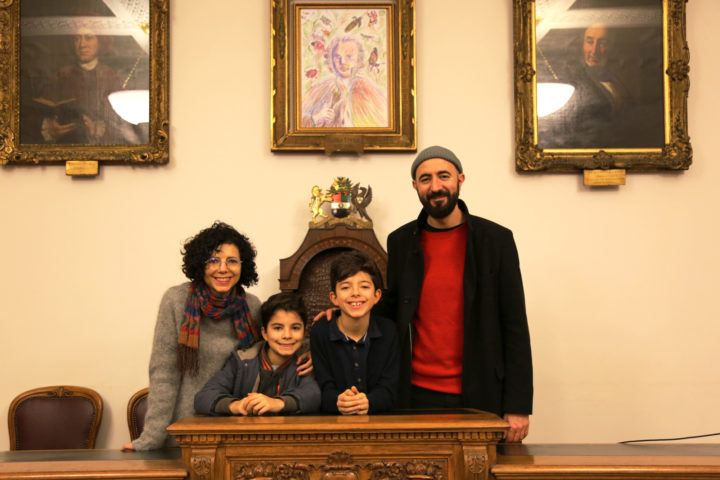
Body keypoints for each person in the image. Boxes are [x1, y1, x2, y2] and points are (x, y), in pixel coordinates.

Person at [378, 146, 533, 442]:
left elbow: (514, 325)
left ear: (460, 179)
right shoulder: (400, 241)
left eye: (443, 176)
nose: (435, 186)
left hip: (482, 393)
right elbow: (392, 307)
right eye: (425, 179)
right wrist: (341, 317)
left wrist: (518, 405)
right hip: (415, 394)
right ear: (415, 187)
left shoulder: (496, 241)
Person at [122, 222, 312, 450]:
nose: (223, 268)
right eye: (213, 261)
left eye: (232, 261)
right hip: (188, 427)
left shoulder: (251, 306)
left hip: (238, 428)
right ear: (200, 265)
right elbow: (164, 375)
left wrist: (312, 352)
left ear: (243, 266)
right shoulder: (176, 301)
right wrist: (151, 439)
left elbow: (282, 339)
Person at [538, 23, 662, 149]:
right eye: (590, 42)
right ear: (583, 44)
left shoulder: (613, 78)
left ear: (611, 46)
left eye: (602, 43)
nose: (594, 50)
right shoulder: (573, 83)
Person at [194, 293, 320, 416]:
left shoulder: (306, 363)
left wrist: (277, 403)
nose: (287, 336)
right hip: (245, 435)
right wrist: (236, 405)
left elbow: (314, 396)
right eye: (277, 328)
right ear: (264, 333)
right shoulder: (241, 361)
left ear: (304, 332)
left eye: (295, 328)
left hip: (291, 436)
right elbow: (203, 398)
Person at [310, 251, 398, 414]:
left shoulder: (389, 331)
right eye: (345, 287)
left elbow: (389, 389)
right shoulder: (320, 331)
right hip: (332, 425)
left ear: (377, 295)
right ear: (334, 297)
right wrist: (339, 401)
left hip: (381, 424)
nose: (355, 293)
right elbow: (323, 387)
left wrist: (369, 402)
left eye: (364, 286)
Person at [35, 27, 134, 144]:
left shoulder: (111, 76)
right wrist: (52, 128)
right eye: (77, 39)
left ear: (100, 42)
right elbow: (39, 111)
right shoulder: (62, 74)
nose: (82, 45)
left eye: (88, 38)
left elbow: (125, 124)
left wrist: (95, 130)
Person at [301, 35, 388, 128]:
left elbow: (384, 122)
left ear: (358, 60)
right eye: (337, 56)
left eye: (349, 56)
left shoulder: (368, 90)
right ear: (331, 60)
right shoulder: (321, 90)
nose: (342, 61)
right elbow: (295, 123)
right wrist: (315, 118)